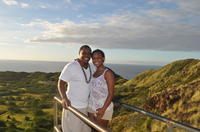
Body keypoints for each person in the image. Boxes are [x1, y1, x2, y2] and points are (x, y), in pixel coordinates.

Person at [58, 45, 94, 132]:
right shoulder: (71, 66)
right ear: (79, 53)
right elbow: (61, 83)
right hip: (73, 106)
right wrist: (64, 98)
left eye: (89, 53)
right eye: (84, 53)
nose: (86, 55)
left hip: (87, 107)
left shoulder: (91, 67)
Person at [88, 49, 115, 130]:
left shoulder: (108, 73)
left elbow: (111, 93)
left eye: (98, 58)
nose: (96, 60)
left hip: (103, 108)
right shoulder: (94, 72)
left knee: (100, 130)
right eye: (94, 58)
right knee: (92, 129)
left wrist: (103, 109)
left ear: (103, 59)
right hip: (91, 106)